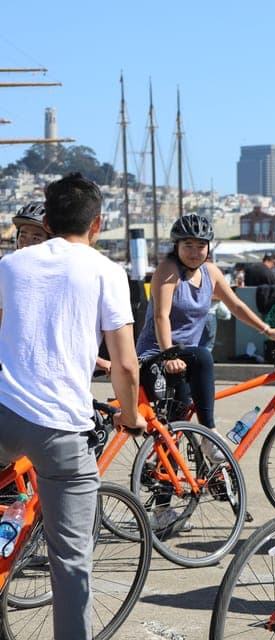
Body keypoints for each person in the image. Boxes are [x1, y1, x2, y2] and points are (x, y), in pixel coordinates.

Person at [0, 172, 146, 639]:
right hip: (61, 430)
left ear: (47, 216)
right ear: (97, 223)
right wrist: (131, 414)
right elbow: (125, 365)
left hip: (3, 414)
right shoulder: (106, 271)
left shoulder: (12, 266)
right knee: (70, 559)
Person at [136, 214, 275, 528]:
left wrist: (266, 329)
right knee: (202, 358)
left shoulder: (211, 272)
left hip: (183, 360)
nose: (194, 251)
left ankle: (165, 509)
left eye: (200, 245)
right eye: (188, 244)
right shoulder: (167, 270)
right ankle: (209, 434)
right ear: (176, 246)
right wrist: (167, 354)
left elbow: (236, 306)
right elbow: (161, 316)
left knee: (175, 433)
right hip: (156, 357)